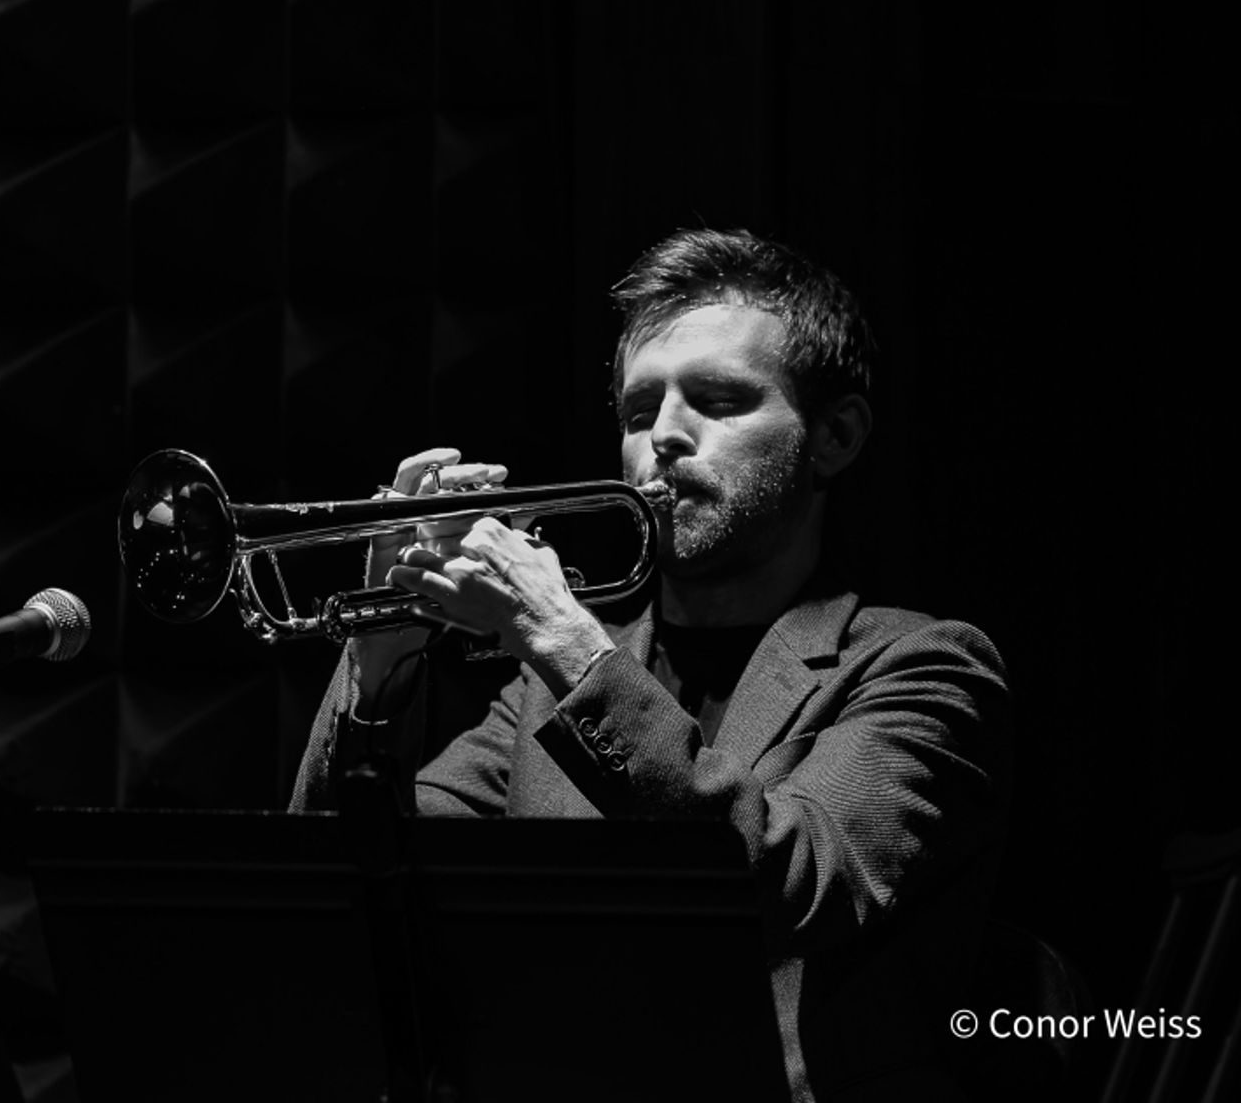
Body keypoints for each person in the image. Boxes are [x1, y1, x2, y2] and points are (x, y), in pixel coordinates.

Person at [291, 228, 1011, 1102]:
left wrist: (567, 641)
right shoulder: (536, 694)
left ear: (836, 437)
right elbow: (354, 899)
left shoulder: (920, 665)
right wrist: (379, 661)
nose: (663, 438)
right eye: (638, 412)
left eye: (716, 399)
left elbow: (802, 885)